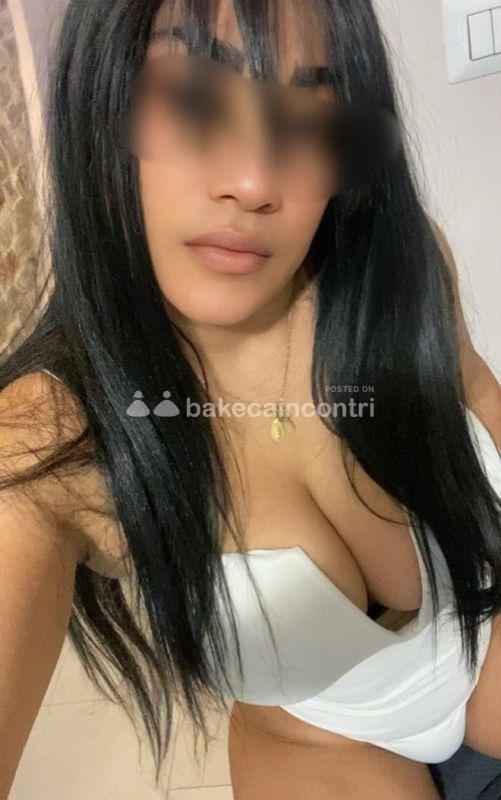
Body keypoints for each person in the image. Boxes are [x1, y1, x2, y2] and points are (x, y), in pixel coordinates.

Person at [0, 1, 500, 798]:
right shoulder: (46, 437)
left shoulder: (397, 277)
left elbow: (478, 393)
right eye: (193, 98)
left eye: (307, 115)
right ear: (100, 104)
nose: (253, 181)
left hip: (482, 627)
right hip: (317, 738)